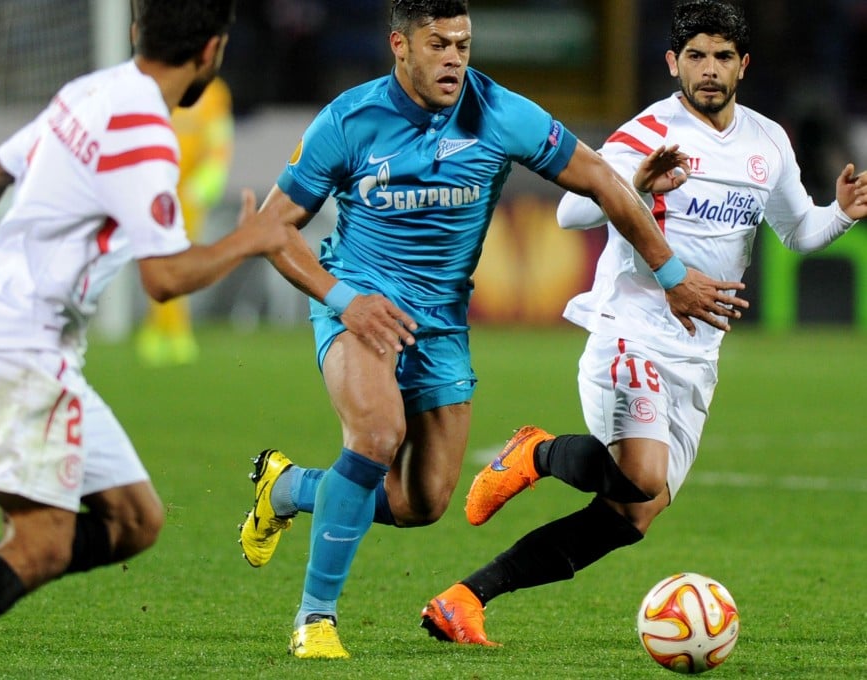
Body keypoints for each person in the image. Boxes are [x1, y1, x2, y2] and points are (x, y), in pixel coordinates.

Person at [236, 0, 748, 661]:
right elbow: (274, 229)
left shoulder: (498, 112)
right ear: (400, 45)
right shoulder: (349, 120)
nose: (454, 58)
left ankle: (285, 487)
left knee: (422, 502)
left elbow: (601, 180)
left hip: (441, 323)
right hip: (357, 304)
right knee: (376, 436)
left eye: (463, 44)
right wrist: (344, 300)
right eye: (439, 44)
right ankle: (315, 619)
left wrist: (672, 272)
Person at [0, 2, 290, 678]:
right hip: (17, 346)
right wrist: (252, 239)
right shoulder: (148, 134)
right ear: (212, 52)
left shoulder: (89, 91)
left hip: (32, 343)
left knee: (134, 521)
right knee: (40, 546)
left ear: (134, 32)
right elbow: (165, 280)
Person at [420, 0, 867, 646]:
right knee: (644, 476)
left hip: (698, 355)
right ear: (672, 62)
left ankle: (466, 597)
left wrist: (843, 213)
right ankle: (539, 453)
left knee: (632, 514)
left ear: (744, 64)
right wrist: (633, 181)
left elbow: (798, 231)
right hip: (631, 330)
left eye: (721, 57)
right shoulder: (646, 132)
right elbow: (572, 213)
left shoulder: (768, 141)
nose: (708, 70)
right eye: (695, 57)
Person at [136, 76, 234, 366]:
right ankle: (166, 331)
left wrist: (210, 178)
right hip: (156, 187)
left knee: (178, 259)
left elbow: (220, 138)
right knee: (159, 256)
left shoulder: (214, 91)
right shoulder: (158, 86)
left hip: (188, 190)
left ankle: (166, 331)